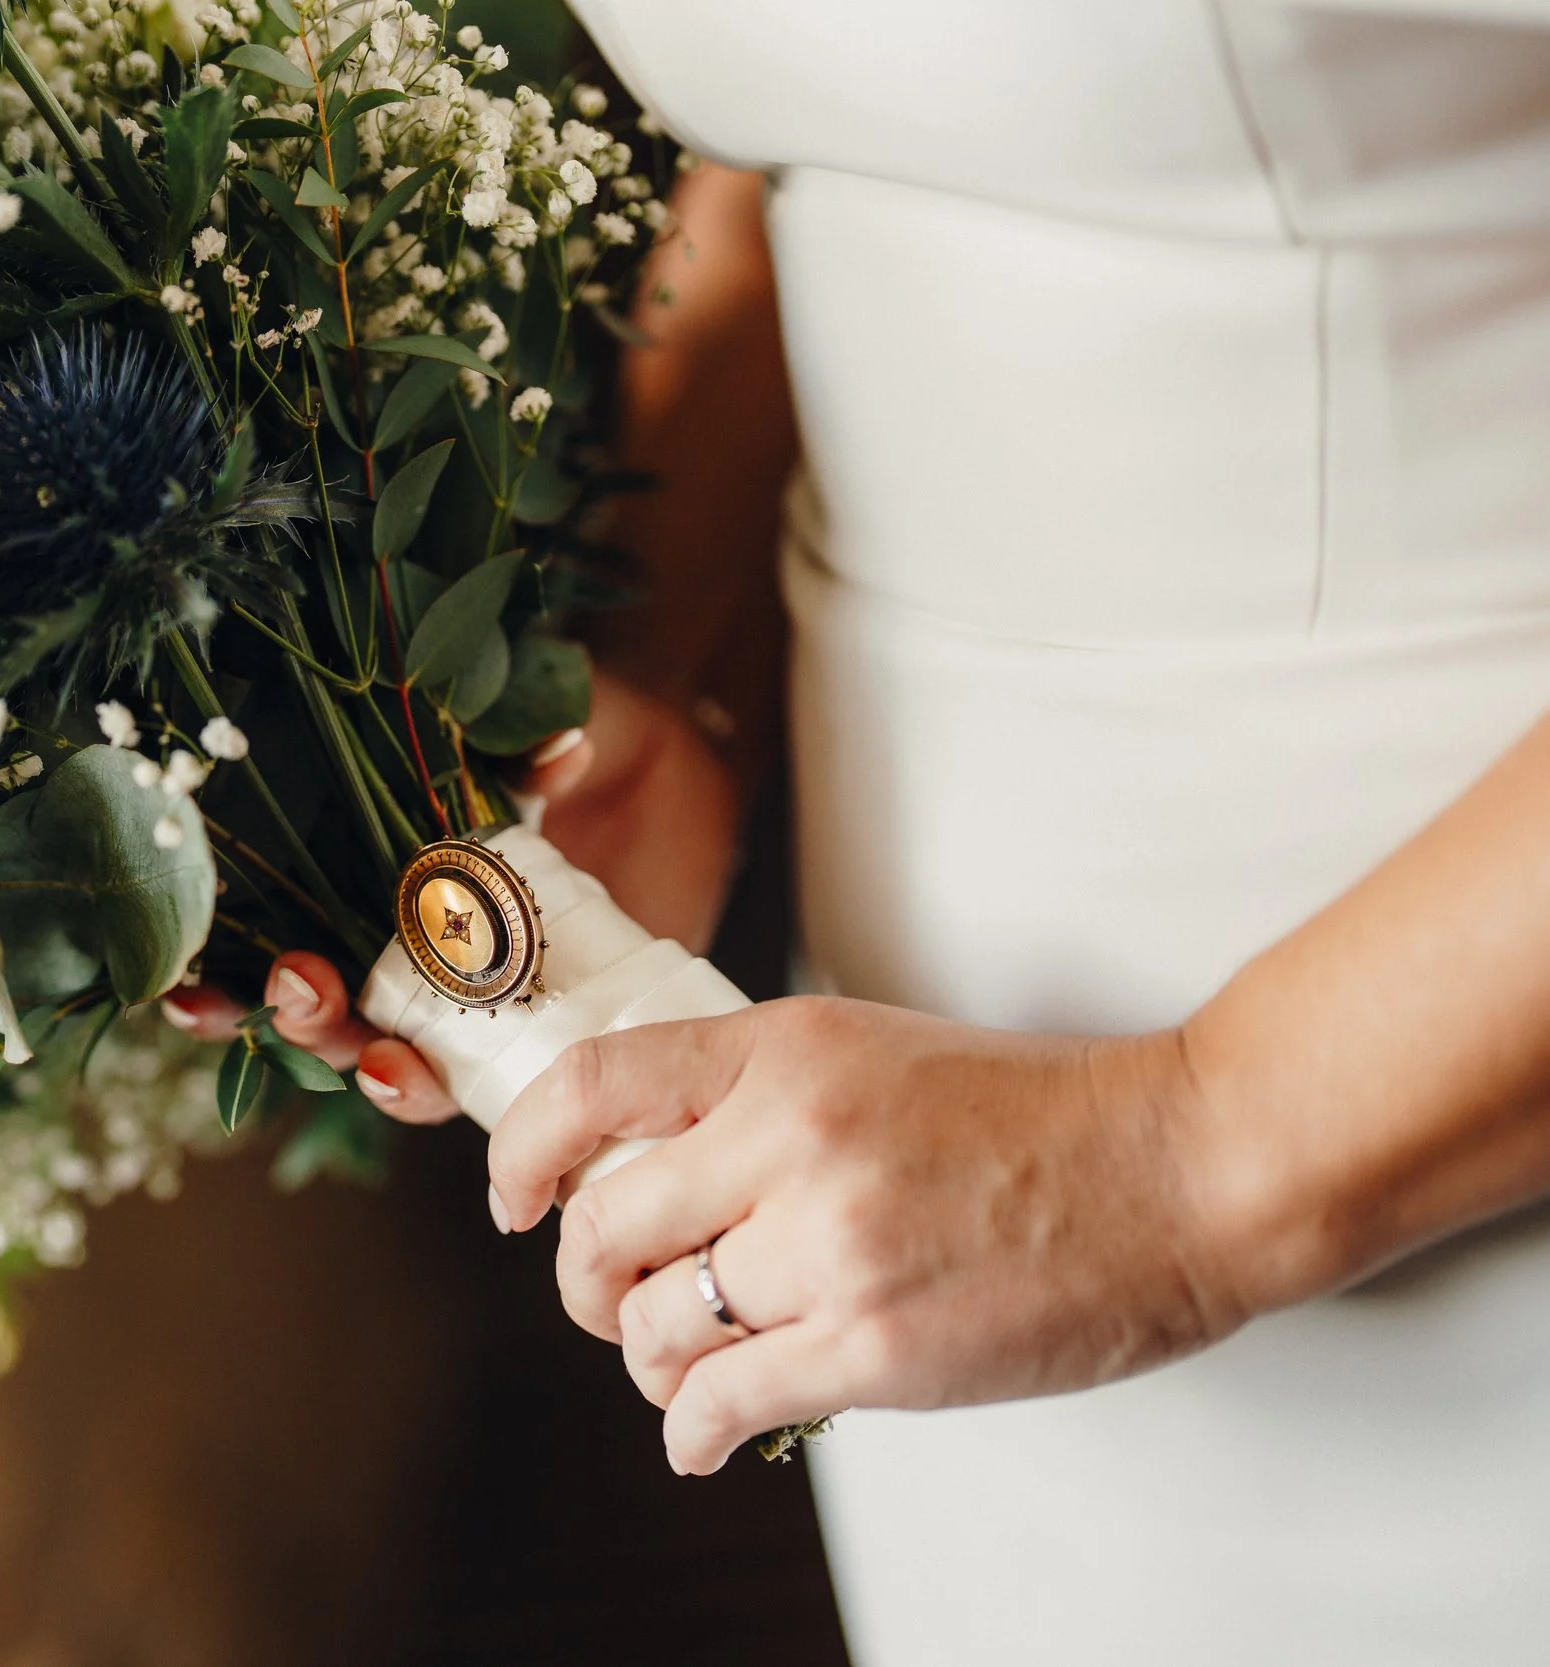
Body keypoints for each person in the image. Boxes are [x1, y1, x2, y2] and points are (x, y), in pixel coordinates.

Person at [173, 4, 1550, 1662]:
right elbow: (828, 139)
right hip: (908, 1168)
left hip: (1438, 1064)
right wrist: (663, 665)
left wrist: (1177, 1158)